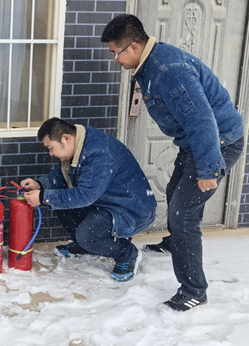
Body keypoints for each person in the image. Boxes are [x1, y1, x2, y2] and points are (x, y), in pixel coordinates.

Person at [101, 14, 244, 311]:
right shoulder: (151, 64)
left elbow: (202, 121)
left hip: (217, 144)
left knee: (183, 214)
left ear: (134, 47)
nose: (115, 59)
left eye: (116, 53)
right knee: (175, 193)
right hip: (195, 144)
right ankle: (176, 240)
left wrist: (208, 169)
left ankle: (194, 290)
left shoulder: (168, 71)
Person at [21, 118, 156, 282]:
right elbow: (63, 175)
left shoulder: (98, 154)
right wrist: (40, 185)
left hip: (130, 209)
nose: (51, 153)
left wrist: (43, 197)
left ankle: (127, 254)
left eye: (51, 148)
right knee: (60, 203)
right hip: (105, 202)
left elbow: (85, 196)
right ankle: (86, 246)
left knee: (87, 234)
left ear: (66, 138)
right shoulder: (79, 144)